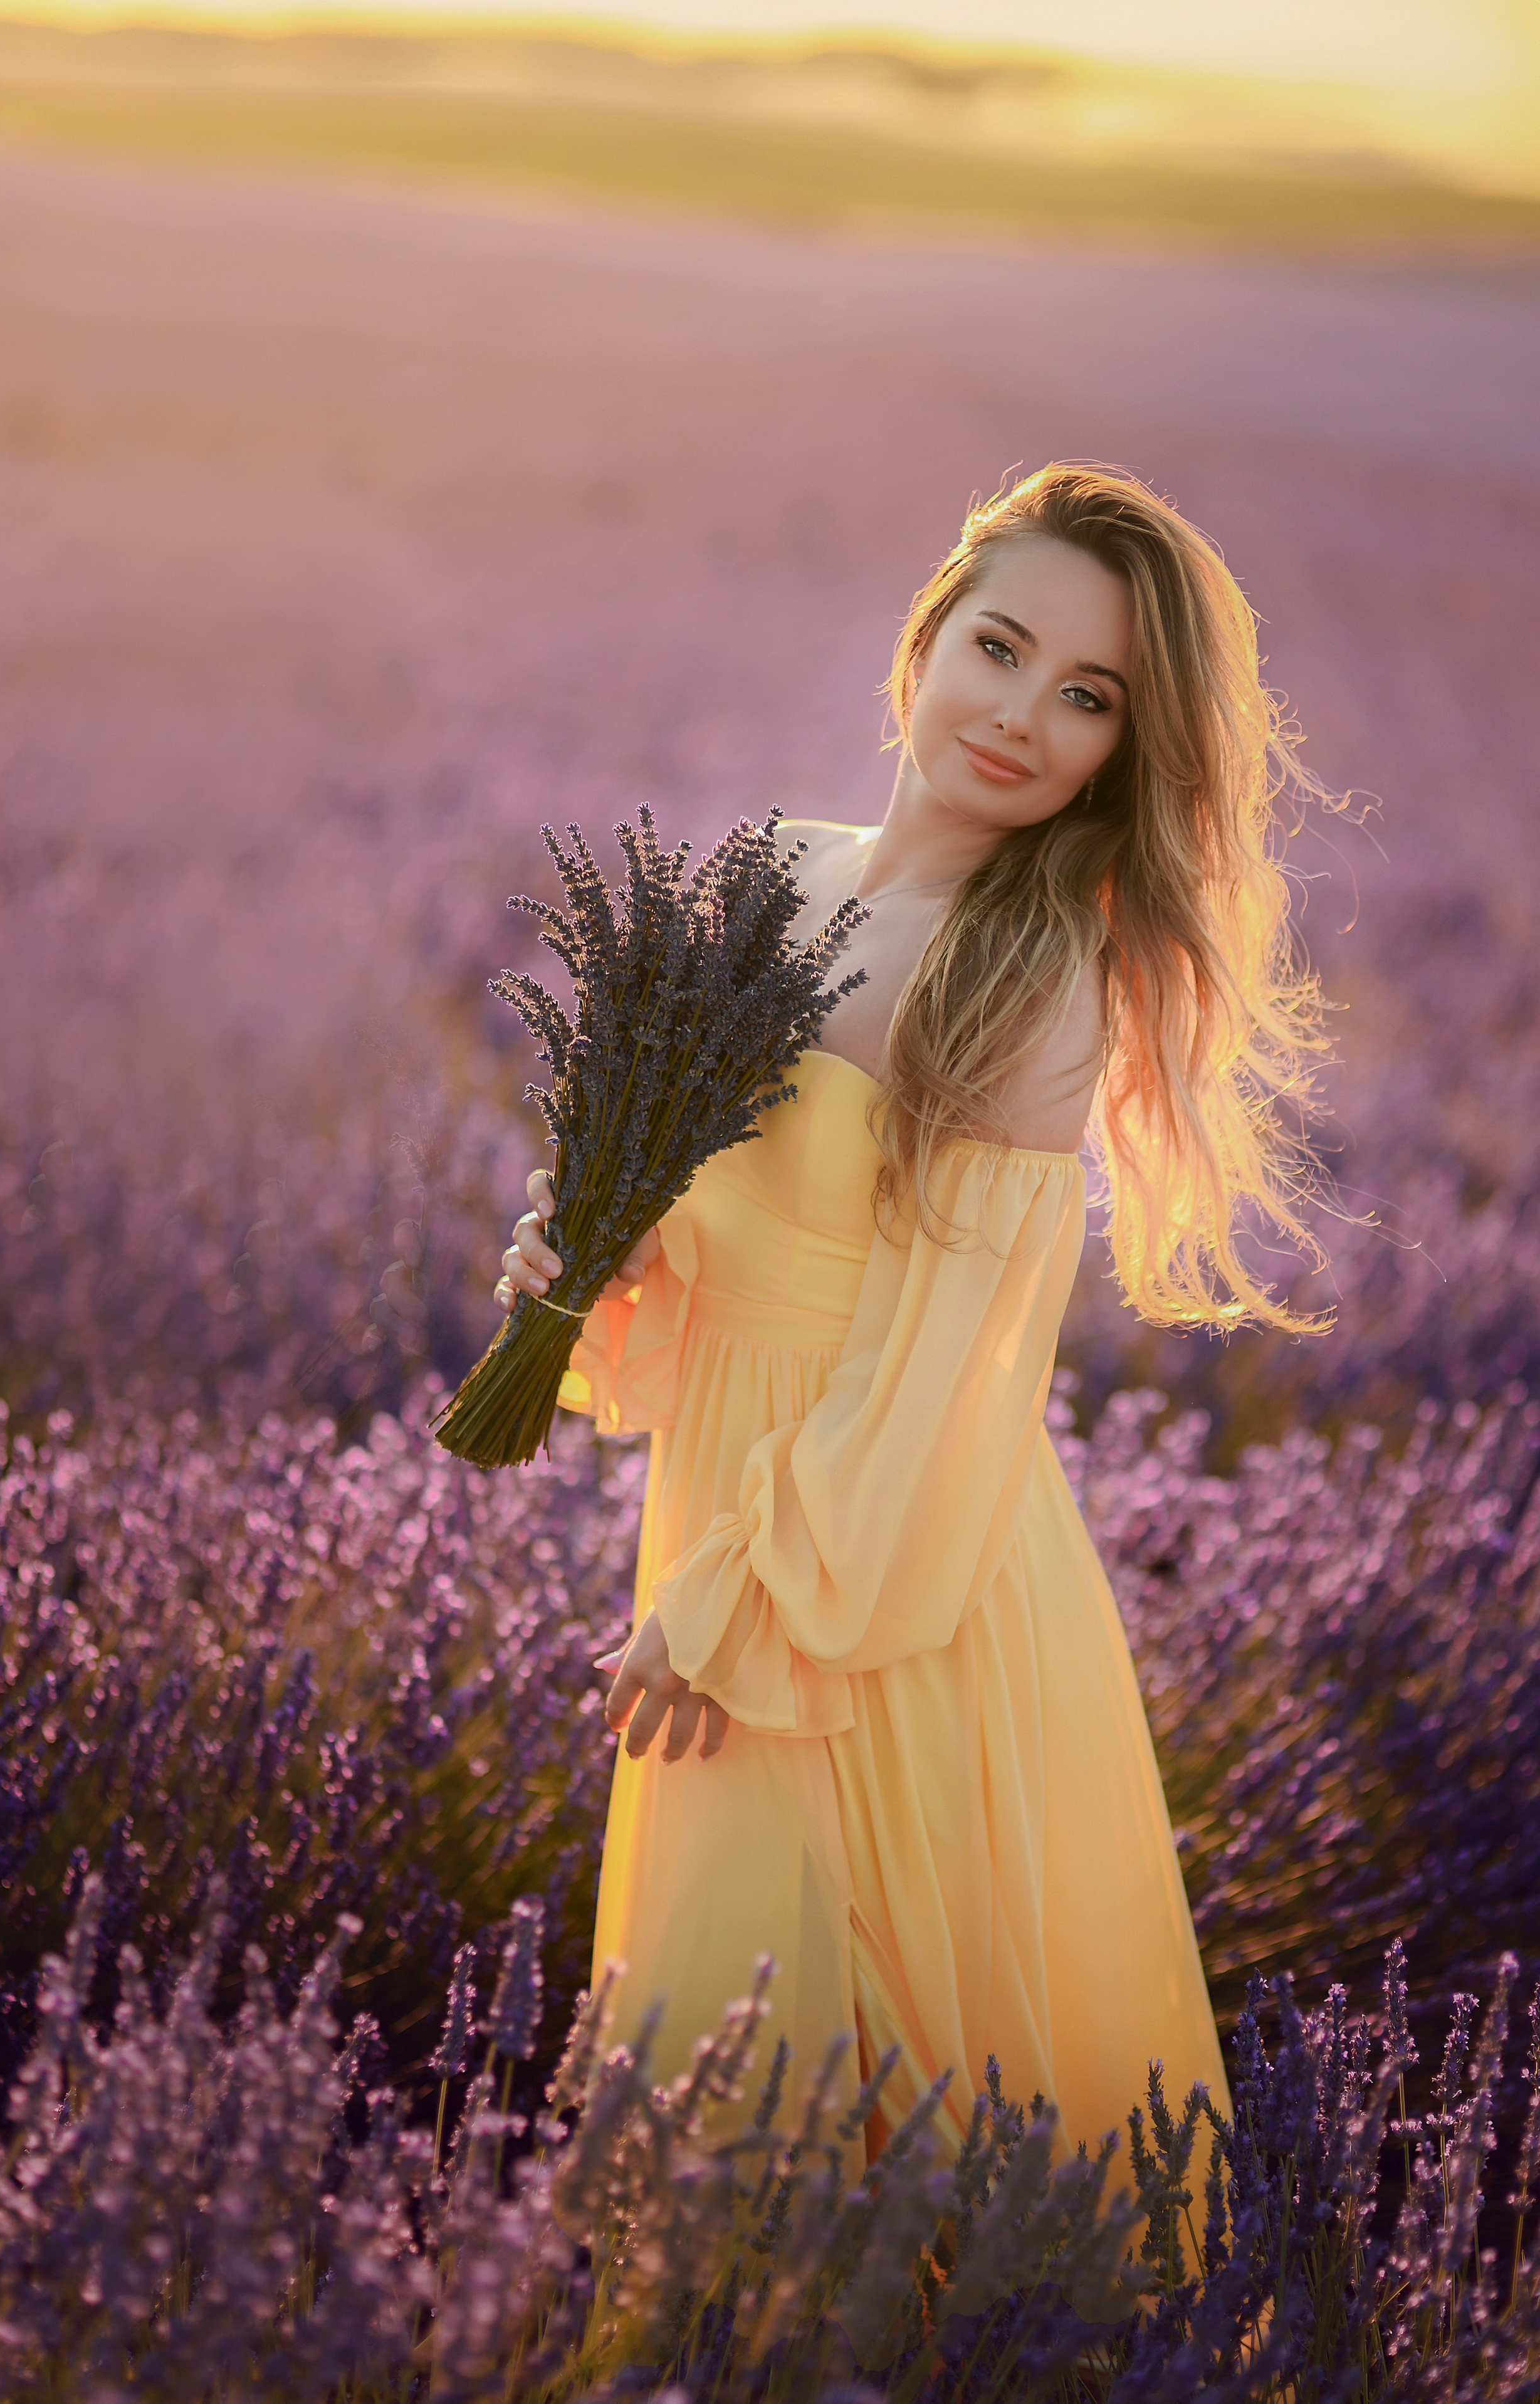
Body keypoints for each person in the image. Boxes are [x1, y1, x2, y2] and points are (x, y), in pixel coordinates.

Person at [495, 463, 1331, 2171]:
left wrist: (740, 1594)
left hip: (884, 1575)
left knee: (850, 2082)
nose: (1022, 715)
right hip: (742, 1515)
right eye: (1002, 647)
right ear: (927, 635)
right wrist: (586, 1268)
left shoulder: (1029, 979)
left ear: (1122, 750)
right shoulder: (761, 872)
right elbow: (702, 1223)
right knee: (728, 2077)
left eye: (1087, 696)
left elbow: (947, 1365)